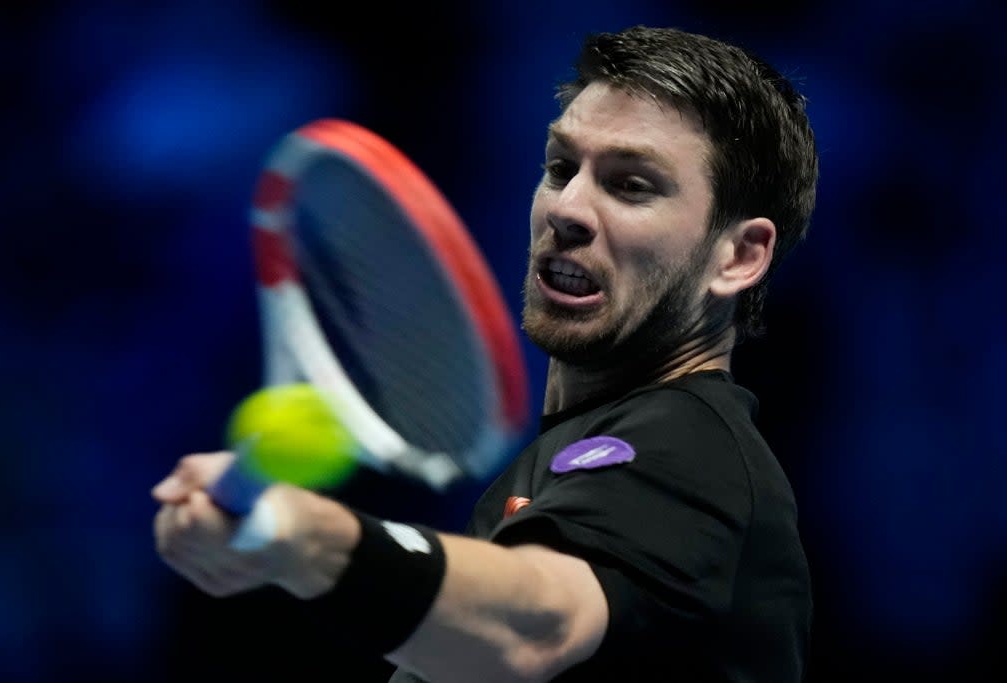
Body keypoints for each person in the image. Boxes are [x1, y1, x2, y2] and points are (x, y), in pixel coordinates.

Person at [153, 24, 818, 682]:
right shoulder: (548, 475)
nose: (568, 208)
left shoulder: (688, 446)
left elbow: (540, 623)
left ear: (739, 255)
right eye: (560, 168)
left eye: (631, 185)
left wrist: (306, 536)